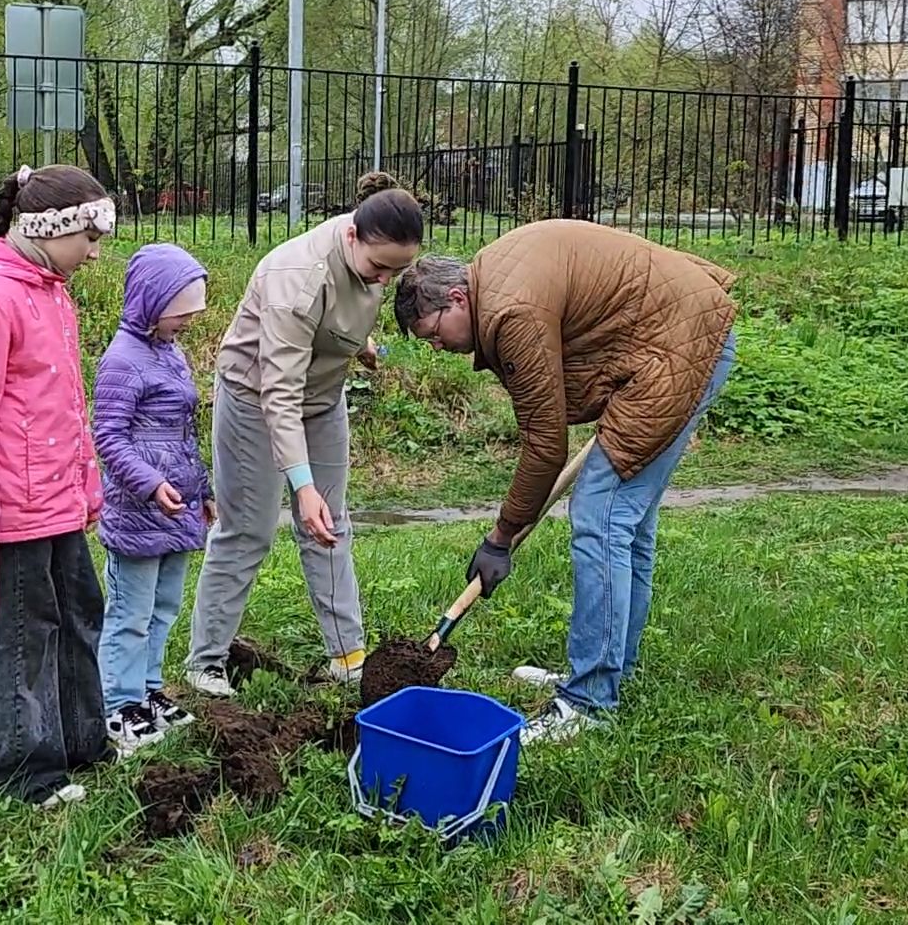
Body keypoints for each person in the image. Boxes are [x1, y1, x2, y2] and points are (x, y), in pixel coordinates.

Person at [393, 219, 738, 742]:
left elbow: (544, 444)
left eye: (434, 335)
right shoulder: (498, 280)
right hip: (673, 333)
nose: (438, 347)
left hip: (680, 345)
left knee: (602, 516)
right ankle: (608, 670)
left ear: (458, 299)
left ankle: (587, 701)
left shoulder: (510, 312)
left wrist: (501, 537)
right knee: (625, 524)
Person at [184, 187, 426, 695]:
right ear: (352, 236)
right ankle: (205, 662)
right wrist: (302, 484)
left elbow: (342, 309)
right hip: (256, 398)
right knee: (247, 530)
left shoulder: (373, 246)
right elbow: (279, 393)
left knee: (329, 526)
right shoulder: (295, 280)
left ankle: (348, 657)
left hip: (321, 395)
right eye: (379, 267)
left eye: (396, 271)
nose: (385, 280)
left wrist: (357, 343)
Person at [0, 164, 115, 809]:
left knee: (79, 614)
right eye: (89, 240)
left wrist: (86, 486)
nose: (94, 255)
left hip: (59, 501)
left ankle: (80, 741)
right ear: (50, 228)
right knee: (23, 635)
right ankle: (18, 771)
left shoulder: (52, 292)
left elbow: (67, 404)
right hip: (15, 511)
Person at [91, 243, 214, 756]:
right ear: (151, 301)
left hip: (177, 508)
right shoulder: (122, 360)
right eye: (180, 310)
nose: (188, 320)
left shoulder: (172, 353)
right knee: (131, 613)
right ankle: (117, 705)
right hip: (139, 512)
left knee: (163, 608)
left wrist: (203, 489)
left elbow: (185, 432)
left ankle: (147, 691)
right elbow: (107, 436)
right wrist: (147, 483)